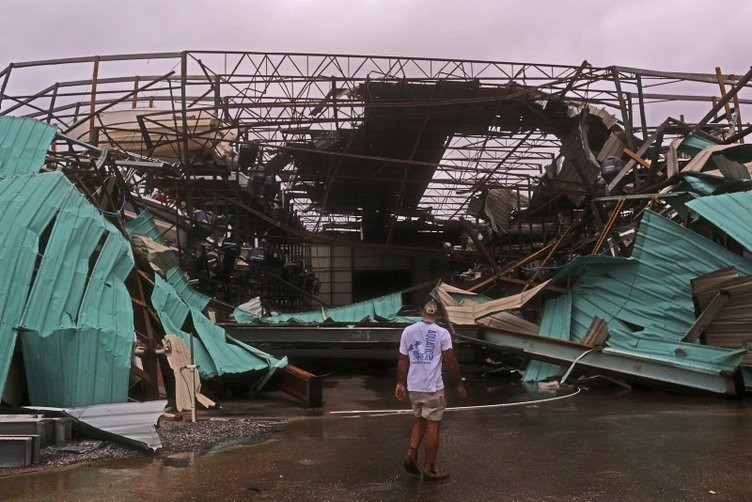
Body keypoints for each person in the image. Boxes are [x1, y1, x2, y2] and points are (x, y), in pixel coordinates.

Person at [395, 297, 466, 481]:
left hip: (414, 387)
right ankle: (430, 468)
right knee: (433, 424)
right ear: (439, 315)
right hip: (433, 388)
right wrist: (458, 384)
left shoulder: (407, 331)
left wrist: (400, 383)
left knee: (420, 419)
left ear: (421, 311)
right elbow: (450, 360)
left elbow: (403, 360)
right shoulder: (442, 333)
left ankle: (411, 454)